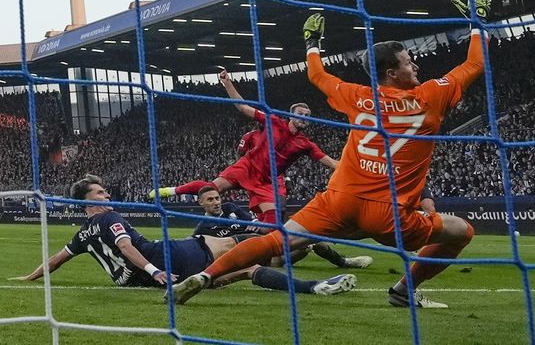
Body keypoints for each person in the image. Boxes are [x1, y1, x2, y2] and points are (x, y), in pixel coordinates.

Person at [172, 0, 491, 308]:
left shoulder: (356, 95)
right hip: (389, 213)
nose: (416, 67)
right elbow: (475, 63)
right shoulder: (431, 96)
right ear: (392, 73)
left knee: (275, 240)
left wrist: (312, 43)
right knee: (462, 231)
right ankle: (403, 291)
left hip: (340, 199)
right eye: (409, 63)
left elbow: (316, 73)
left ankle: (205, 276)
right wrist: (478, 22)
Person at [11, 174, 357, 298]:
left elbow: (57, 260)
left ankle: (314, 282)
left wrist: (28, 277)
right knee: (269, 249)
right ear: (85, 200)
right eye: (99, 192)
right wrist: (154, 271)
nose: (106, 195)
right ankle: (325, 233)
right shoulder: (110, 218)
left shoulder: (83, 234)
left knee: (245, 269)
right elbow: (127, 247)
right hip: (175, 255)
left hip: (169, 272)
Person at [149, 71, 339, 224]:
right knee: (212, 188)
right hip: (247, 167)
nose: (304, 117)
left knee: (274, 220)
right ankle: (170, 191)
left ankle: (256, 239)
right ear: (291, 115)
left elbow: (331, 163)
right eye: (300, 113)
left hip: (266, 181)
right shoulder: (273, 121)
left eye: (307, 115)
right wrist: (227, 84)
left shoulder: (306, 144)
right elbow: (242, 107)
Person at [194, 186, 373, 269]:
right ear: (201, 203)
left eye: (217, 198)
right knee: (305, 243)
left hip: (267, 247)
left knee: (310, 237)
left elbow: (255, 225)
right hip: (259, 260)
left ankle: (345, 262)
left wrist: (266, 228)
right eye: (210, 200)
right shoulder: (202, 228)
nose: (216, 202)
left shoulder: (231, 208)